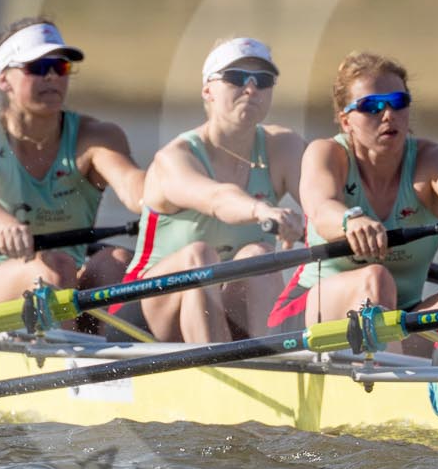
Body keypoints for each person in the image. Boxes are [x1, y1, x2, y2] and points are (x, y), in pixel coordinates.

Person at [269, 52, 438, 350]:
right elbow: (321, 208)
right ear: (345, 121)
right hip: (307, 317)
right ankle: (390, 377)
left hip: (400, 321)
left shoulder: (436, 159)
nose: (388, 114)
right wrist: (350, 220)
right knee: (376, 279)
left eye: (398, 102)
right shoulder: (327, 154)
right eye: (372, 106)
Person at [0, 17, 145, 309]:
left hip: (65, 276)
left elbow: (136, 190)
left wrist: (180, 187)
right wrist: (5, 226)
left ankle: (107, 348)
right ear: (4, 79)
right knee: (52, 269)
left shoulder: (96, 137)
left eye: (60, 67)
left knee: (116, 261)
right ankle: (76, 346)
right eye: (38, 68)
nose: (52, 76)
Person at [123, 38, 305, 342]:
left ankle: (270, 365)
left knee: (258, 255)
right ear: (208, 89)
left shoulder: (283, 147)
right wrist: (262, 210)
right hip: (140, 313)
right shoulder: (175, 157)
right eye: (235, 78)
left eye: (262, 81)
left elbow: (325, 203)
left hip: (218, 304)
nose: (250, 89)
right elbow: (218, 199)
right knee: (199, 256)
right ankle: (217, 369)